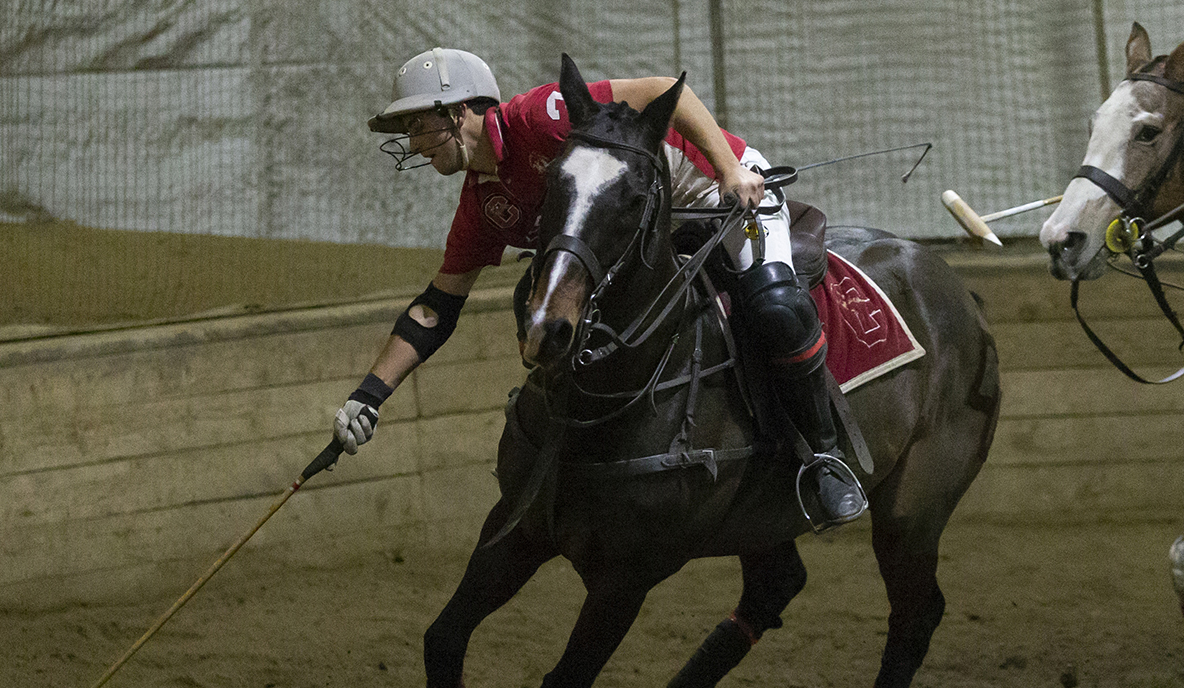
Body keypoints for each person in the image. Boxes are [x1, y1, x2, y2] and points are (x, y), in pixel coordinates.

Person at [331, 46, 866, 526]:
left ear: (459, 110)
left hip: (708, 187)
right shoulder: (482, 206)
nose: (414, 143)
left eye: (419, 125)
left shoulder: (538, 116)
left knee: (775, 305)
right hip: (645, 227)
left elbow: (662, 91)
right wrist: (369, 396)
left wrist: (729, 170)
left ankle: (826, 457)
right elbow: (436, 307)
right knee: (536, 305)